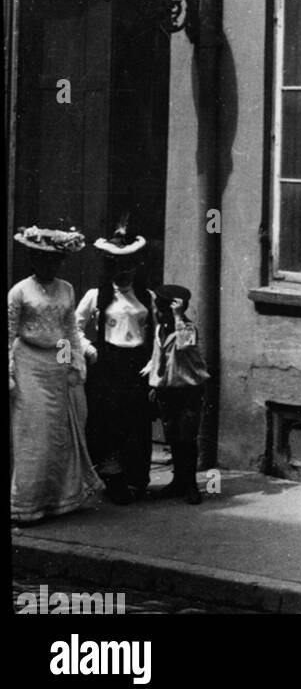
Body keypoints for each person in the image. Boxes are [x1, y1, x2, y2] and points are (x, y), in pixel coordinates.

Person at [9, 226, 102, 524]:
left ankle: (58, 499)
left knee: (57, 434)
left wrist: (71, 363)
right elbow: (9, 333)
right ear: (33, 260)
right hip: (27, 363)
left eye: (56, 260)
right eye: (44, 260)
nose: (51, 265)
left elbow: (69, 330)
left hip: (55, 364)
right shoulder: (20, 291)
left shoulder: (67, 289)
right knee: (33, 433)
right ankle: (26, 505)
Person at [75, 224, 155, 505]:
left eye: (129, 266)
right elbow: (73, 328)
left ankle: (137, 478)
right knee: (110, 424)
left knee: (136, 423)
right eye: (118, 267)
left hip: (138, 366)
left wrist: (154, 362)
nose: (124, 273)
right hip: (107, 367)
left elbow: (157, 334)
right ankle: (114, 477)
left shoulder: (147, 298)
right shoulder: (95, 297)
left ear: (136, 267)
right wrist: (88, 349)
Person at [141, 285, 210, 505]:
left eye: (164, 311)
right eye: (159, 310)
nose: (160, 314)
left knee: (187, 437)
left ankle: (190, 485)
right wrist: (154, 382)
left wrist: (179, 317)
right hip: (168, 390)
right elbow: (159, 355)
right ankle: (178, 480)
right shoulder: (161, 328)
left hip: (188, 391)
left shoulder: (187, 328)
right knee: (173, 437)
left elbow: (184, 345)